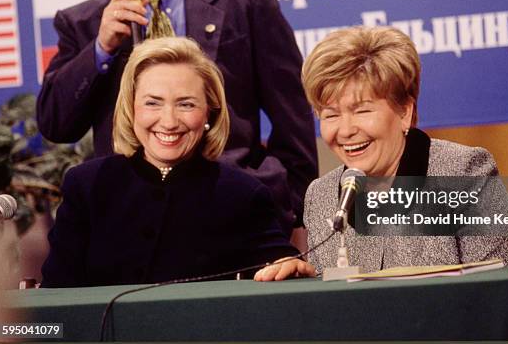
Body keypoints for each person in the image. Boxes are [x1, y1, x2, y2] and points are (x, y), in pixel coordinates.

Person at [36, 0, 317, 238]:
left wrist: (293, 206)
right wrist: (100, 47)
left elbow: (293, 114)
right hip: (127, 222)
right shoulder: (83, 23)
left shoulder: (245, 1)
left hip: (233, 208)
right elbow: (55, 125)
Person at [41, 37, 315, 287]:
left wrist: (287, 265)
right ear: (130, 107)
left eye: (186, 104)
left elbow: (281, 264)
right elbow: (56, 299)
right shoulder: (86, 186)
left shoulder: (243, 193)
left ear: (209, 111)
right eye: (153, 103)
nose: (169, 121)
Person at [258, 26, 508, 279]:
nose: (346, 130)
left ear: (404, 112)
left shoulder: (465, 171)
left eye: (362, 110)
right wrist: (306, 280)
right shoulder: (321, 195)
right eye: (331, 114)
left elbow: (499, 293)